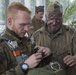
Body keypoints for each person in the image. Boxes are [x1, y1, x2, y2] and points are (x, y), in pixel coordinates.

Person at [0, 2, 54, 75]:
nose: (26, 29)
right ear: (10, 22)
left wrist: (46, 54)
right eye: (22, 24)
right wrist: (25, 66)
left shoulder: (28, 41)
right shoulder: (2, 46)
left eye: (28, 24)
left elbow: (41, 66)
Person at [32, 1, 76, 75]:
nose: (54, 22)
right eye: (51, 18)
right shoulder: (37, 35)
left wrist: (75, 58)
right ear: (46, 17)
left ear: (62, 17)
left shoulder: (72, 33)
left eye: (58, 18)